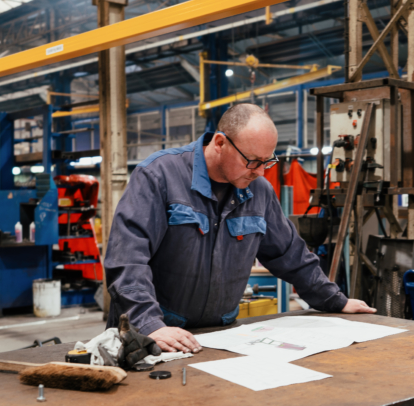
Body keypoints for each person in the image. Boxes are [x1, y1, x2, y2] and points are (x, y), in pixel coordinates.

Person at [104, 103, 376, 355]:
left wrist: (335, 300)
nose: (261, 172)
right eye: (253, 161)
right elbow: (127, 260)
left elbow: (291, 255)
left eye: (268, 162)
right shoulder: (159, 176)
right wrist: (150, 324)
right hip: (154, 336)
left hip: (217, 336)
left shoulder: (259, 191)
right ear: (220, 143)